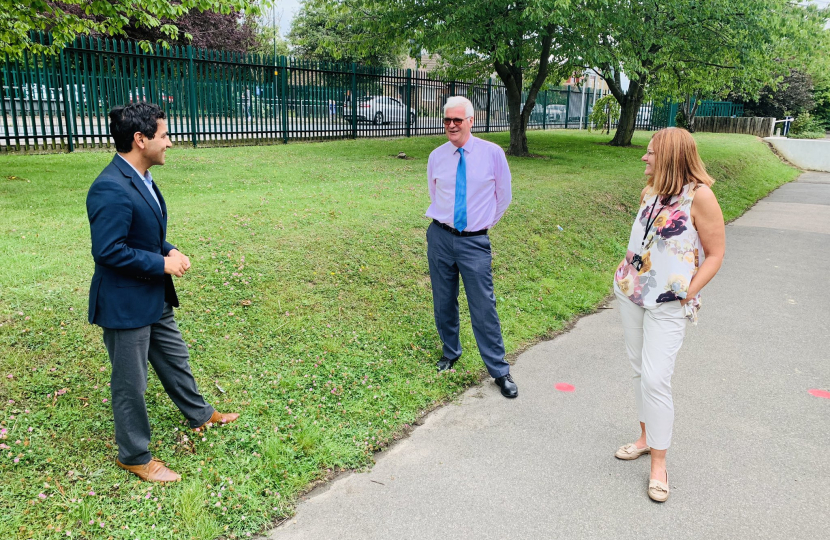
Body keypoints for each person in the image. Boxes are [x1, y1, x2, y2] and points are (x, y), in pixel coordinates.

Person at [87, 102, 239, 483]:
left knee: (175, 358)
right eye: (164, 135)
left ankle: (200, 414)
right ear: (140, 140)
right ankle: (135, 456)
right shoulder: (109, 187)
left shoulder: (141, 178)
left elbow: (143, 232)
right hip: (124, 303)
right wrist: (161, 264)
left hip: (153, 296)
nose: (169, 143)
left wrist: (167, 248)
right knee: (130, 385)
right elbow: (108, 250)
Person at [613, 127, 725, 502]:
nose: (644, 158)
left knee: (657, 378)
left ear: (673, 157)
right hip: (631, 293)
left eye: (651, 153)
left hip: (668, 303)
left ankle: (659, 464)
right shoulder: (652, 191)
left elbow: (715, 255)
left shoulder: (701, 198)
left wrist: (687, 294)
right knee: (639, 371)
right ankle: (645, 438)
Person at [425, 96, 517, 398]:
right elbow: (435, 192)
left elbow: (503, 196)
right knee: (443, 300)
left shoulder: (492, 154)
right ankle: (450, 353)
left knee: (483, 306)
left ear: (470, 121)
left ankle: (499, 371)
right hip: (440, 237)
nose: (451, 125)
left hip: (474, 242)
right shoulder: (437, 156)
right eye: (447, 120)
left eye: (457, 120)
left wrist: (482, 226)